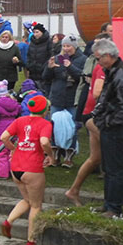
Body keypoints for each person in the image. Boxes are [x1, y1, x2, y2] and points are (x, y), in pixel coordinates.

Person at [91, 39, 123, 218]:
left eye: (98, 59)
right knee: (108, 166)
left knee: (115, 167)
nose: (98, 62)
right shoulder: (112, 71)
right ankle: (108, 203)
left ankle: (115, 207)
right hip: (109, 123)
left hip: (116, 126)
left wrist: (109, 121)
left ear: (108, 56)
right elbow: (106, 98)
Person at [0, 96, 56, 245]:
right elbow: (44, 142)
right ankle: (31, 240)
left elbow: (4, 137)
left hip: (16, 167)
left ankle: (9, 221)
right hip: (32, 168)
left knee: (27, 200)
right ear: (44, 111)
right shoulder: (45, 123)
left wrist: (13, 149)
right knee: (36, 205)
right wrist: (50, 155)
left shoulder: (20, 120)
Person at [66, 33, 112, 206]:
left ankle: (73, 190)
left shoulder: (102, 66)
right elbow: (97, 92)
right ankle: (114, 197)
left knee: (95, 158)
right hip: (93, 115)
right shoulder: (101, 67)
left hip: (92, 113)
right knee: (113, 152)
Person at [42, 35, 87, 167]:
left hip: (72, 98)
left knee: (71, 127)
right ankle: (55, 156)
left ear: (75, 46)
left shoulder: (82, 59)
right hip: (57, 97)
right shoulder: (59, 58)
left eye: (69, 46)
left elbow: (82, 77)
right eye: (64, 46)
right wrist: (49, 68)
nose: (66, 49)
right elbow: (46, 78)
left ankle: (68, 156)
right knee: (54, 127)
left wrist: (70, 66)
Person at [0, 80, 21, 180]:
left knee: (1, 153)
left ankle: (3, 173)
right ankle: (12, 171)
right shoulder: (14, 102)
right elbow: (19, 110)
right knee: (11, 151)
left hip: (1, 130)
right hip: (13, 128)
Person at [26, 23, 51, 88]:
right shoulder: (32, 42)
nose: (35, 34)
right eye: (34, 32)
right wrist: (29, 65)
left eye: (37, 32)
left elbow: (50, 55)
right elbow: (29, 55)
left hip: (43, 71)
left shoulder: (48, 42)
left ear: (42, 32)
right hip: (32, 71)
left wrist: (45, 67)